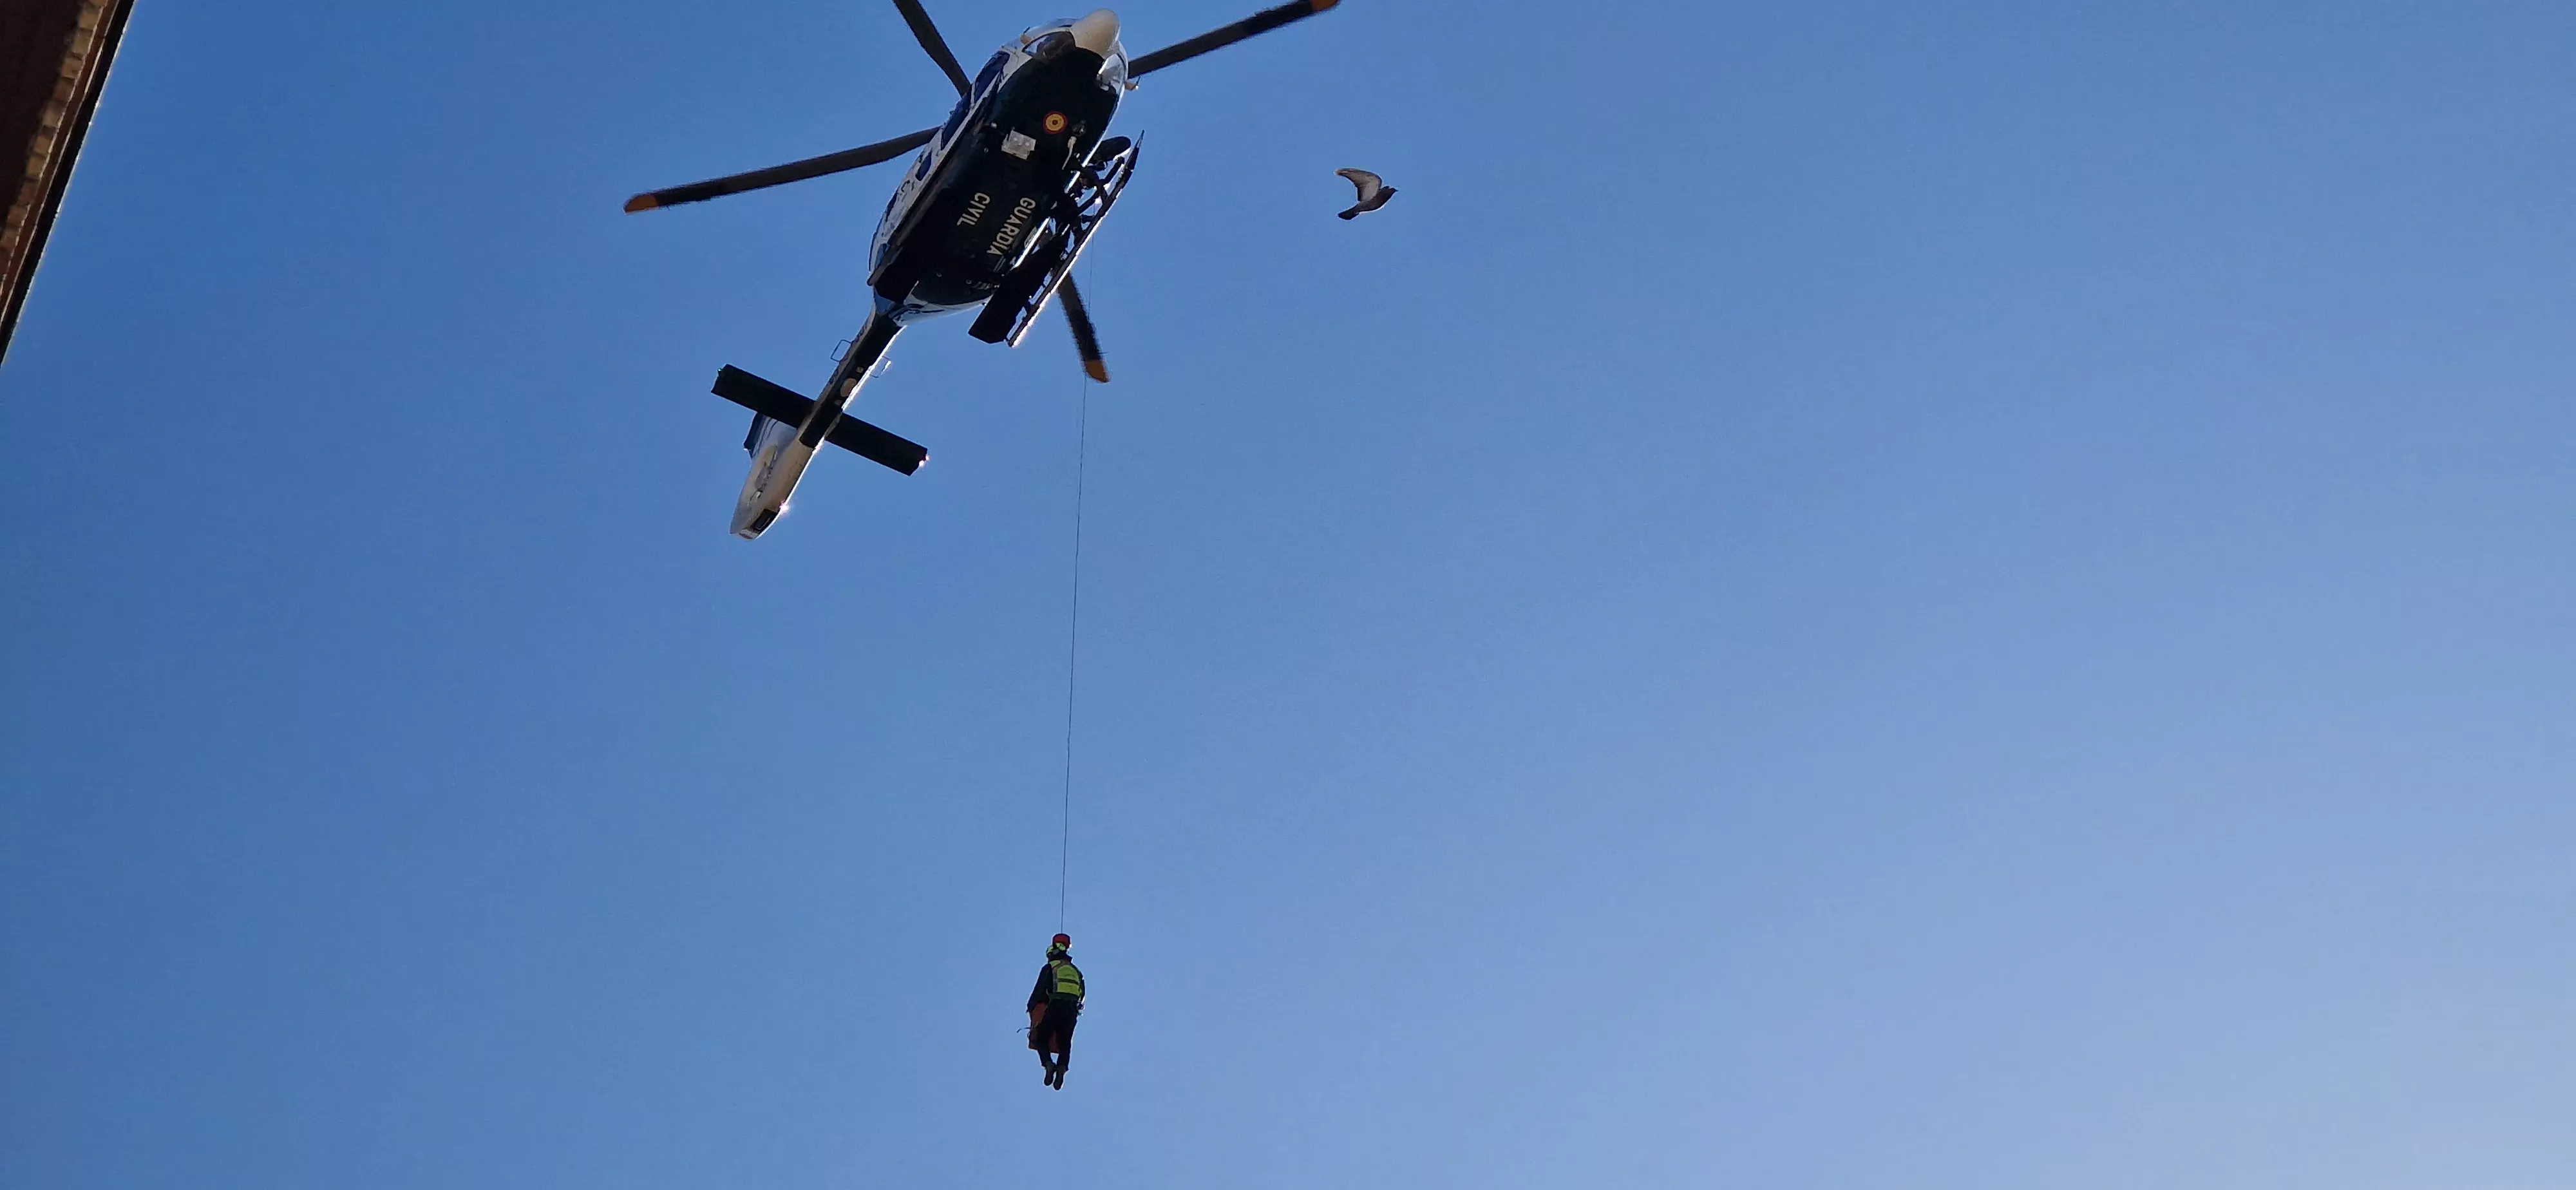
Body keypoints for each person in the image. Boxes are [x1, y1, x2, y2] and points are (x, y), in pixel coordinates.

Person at [1027, 933, 1085, 1089]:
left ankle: (1048, 1065)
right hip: (1072, 1011)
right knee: (1065, 1043)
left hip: (1055, 1006)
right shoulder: (1076, 971)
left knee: (1040, 1038)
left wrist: (1031, 1007)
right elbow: (1082, 994)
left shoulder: (1051, 967)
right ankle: (1062, 1068)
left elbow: (1040, 989)